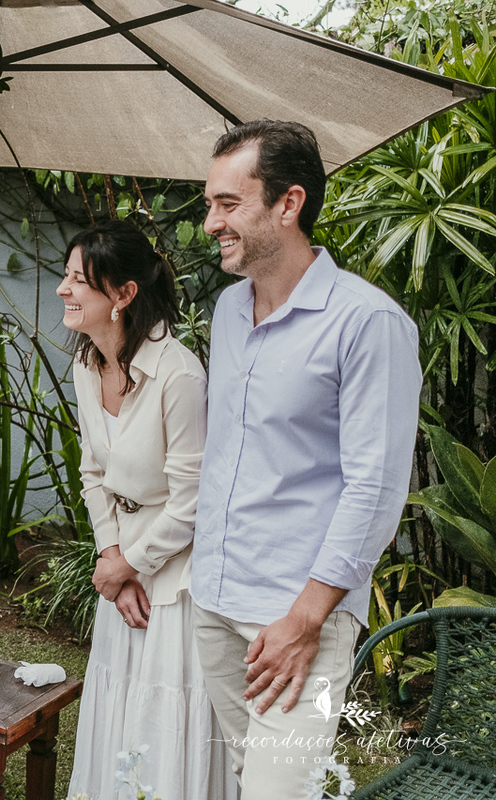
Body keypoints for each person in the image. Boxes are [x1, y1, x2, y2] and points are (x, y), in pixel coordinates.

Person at [193, 120, 421, 799]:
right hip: (216, 599)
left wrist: (306, 619)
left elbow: (376, 486)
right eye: (210, 204)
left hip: (297, 616)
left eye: (228, 204)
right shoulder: (229, 311)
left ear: (287, 205)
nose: (210, 223)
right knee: (246, 779)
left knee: (280, 791)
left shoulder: (369, 324)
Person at [62, 219, 233, 800]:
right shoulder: (87, 366)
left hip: (176, 576)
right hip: (124, 570)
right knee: (118, 700)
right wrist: (113, 560)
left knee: (163, 712)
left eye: (79, 280)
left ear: (123, 294)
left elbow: (192, 498)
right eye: (67, 277)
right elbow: (93, 472)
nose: (64, 290)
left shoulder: (179, 373)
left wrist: (132, 564)